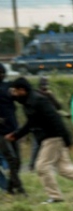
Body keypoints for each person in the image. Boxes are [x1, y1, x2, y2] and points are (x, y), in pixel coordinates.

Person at [4, 78, 73, 203]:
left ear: (22, 90)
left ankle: (55, 197)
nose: (13, 94)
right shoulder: (28, 102)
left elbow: (56, 119)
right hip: (49, 138)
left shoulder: (38, 101)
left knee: (42, 166)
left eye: (15, 91)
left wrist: (67, 140)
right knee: (64, 169)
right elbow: (31, 123)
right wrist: (16, 135)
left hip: (53, 137)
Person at [0, 63, 24, 195]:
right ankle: (19, 188)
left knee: (17, 161)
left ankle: (10, 187)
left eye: (3, 73)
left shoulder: (9, 86)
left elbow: (19, 97)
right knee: (11, 159)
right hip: (1, 132)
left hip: (13, 128)